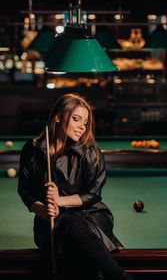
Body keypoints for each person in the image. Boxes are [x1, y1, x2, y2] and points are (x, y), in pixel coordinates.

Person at [18, 93, 133, 280]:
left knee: (72, 223)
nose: (82, 127)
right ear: (58, 116)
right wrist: (42, 210)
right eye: (76, 119)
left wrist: (59, 200)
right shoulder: (31, 151)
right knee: (68, 226)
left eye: (85, 122)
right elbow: (25, 192)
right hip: (51, 222)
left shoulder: (90, 152)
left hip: (91, 216)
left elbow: (93, 195)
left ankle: (118, 276)